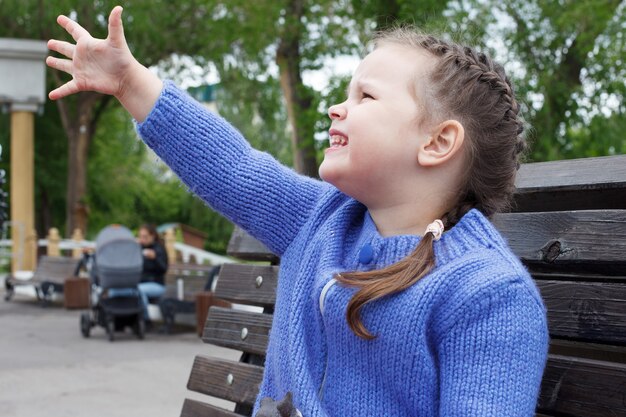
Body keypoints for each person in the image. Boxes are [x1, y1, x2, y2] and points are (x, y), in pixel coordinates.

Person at [46, 6, 549, 416]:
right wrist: (129, 82)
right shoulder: (323, 219)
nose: (337, 107)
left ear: (438, 142)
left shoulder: (488, 296)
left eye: (365, 95)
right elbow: (232, 166)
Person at [136, 224, 168, 317]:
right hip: (139, 283)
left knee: (138, 290)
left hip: (157, 284)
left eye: (145, 237)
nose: (142, 239)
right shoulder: (139, 247)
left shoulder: (159, 249)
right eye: (140, 236)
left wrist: (155, 258)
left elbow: (163, 269)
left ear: (152, 236)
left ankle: (145, 320)